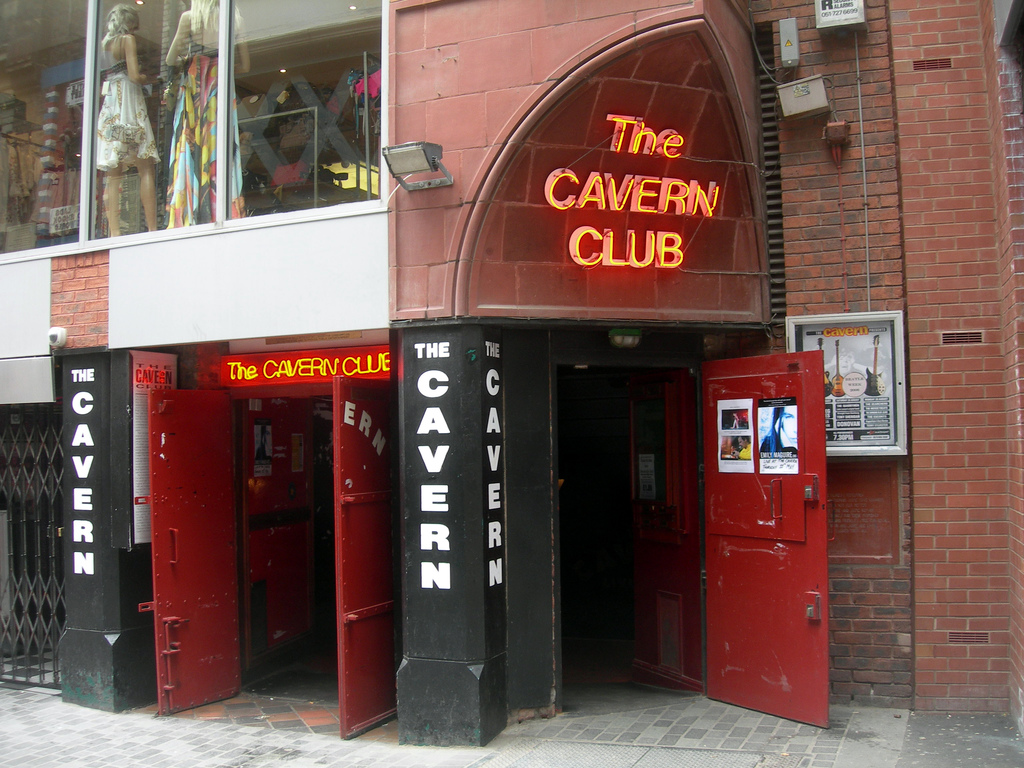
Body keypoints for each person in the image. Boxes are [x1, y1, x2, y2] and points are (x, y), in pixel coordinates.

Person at [164, 0, 248, 227]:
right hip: (219, 88)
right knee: (219, 148)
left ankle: (190, 214)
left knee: (191, 145)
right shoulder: (232, 18)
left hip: (195, 91)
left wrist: (192, 61)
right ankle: (221, 212)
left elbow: (170, 60)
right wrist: (219, 63)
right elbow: (245, 65)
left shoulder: (189, 19)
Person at [96, 4, 159, 235]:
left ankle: (114, 233)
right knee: (145, 167)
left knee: (113, 172)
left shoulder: (104, 44)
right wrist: (147, 78)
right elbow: (133, 75)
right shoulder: (127, 40)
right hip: (129, 101)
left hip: (111, 101)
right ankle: (152, 228)